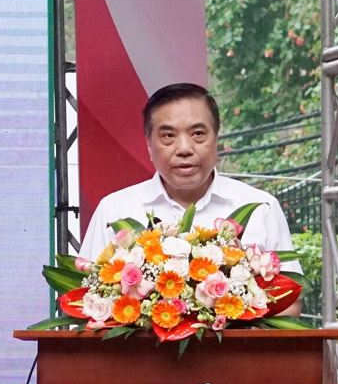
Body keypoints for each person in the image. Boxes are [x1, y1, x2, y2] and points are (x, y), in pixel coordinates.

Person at [79, 82, 294, 261]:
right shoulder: (115, 210)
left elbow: (289, 295)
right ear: (149, 145)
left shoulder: (261, 208)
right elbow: (84, 291)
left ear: (216, 139)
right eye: (168, 136)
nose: (184, 149)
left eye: (198, 134)